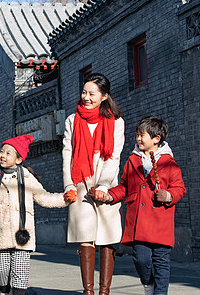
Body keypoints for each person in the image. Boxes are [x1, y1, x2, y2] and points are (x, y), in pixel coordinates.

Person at [91, 116, 186, 295]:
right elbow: (125, 187)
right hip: (139, 223)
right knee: (140, 259)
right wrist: (109, 195)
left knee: (161, 262)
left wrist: (168, 195)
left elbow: (180, 188)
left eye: (142, 135)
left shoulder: (169, 163)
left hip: (160, 221)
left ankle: (160, 293)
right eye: (137, 135)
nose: (138, 139)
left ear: (156, 139)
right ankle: (148, 284)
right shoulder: (133, 160)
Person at [0, 134, 71, 295]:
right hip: (0, 232)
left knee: (20, 271)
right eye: (2, 152)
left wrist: (64, 199)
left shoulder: (27, 178)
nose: (3, 155)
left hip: (22, 232)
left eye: (8, 153)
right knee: (1, 269)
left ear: (19, 159)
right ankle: (4, 291)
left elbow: (44, 197)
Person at [62, 73, 125, 295]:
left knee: (107, 237)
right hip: (80, 180)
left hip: (104, 181)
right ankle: (88, 291)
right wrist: (69, 185)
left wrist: (104, 186)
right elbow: (67, 154)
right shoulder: (72, 120)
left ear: (104, 96)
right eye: (84, 92)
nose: (86, 97)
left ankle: (104, 291)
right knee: (85, 235)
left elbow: (114, 156)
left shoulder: (116, 122)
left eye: (92, 94)